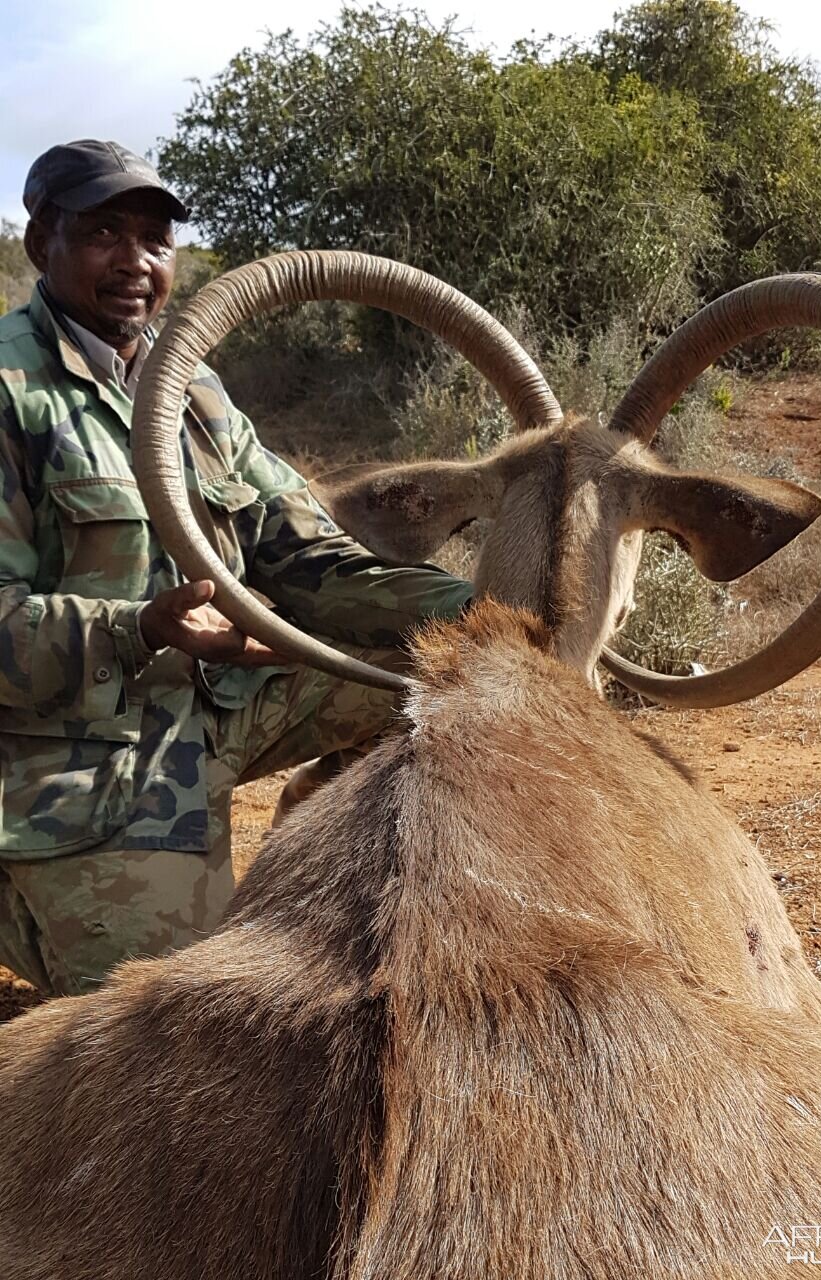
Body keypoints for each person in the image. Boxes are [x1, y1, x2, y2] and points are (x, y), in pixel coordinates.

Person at [0, 140, 472, 997]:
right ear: (42, 244)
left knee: (450, 675)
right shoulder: (7, 388)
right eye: (106, 232)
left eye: (154, 239)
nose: (136, 262)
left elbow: (306, 553)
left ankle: (320, 841)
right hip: (68, 765)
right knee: (176, 1024)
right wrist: (139, 629)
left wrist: (484, 608)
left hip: (212, 710)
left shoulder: (194, 389)